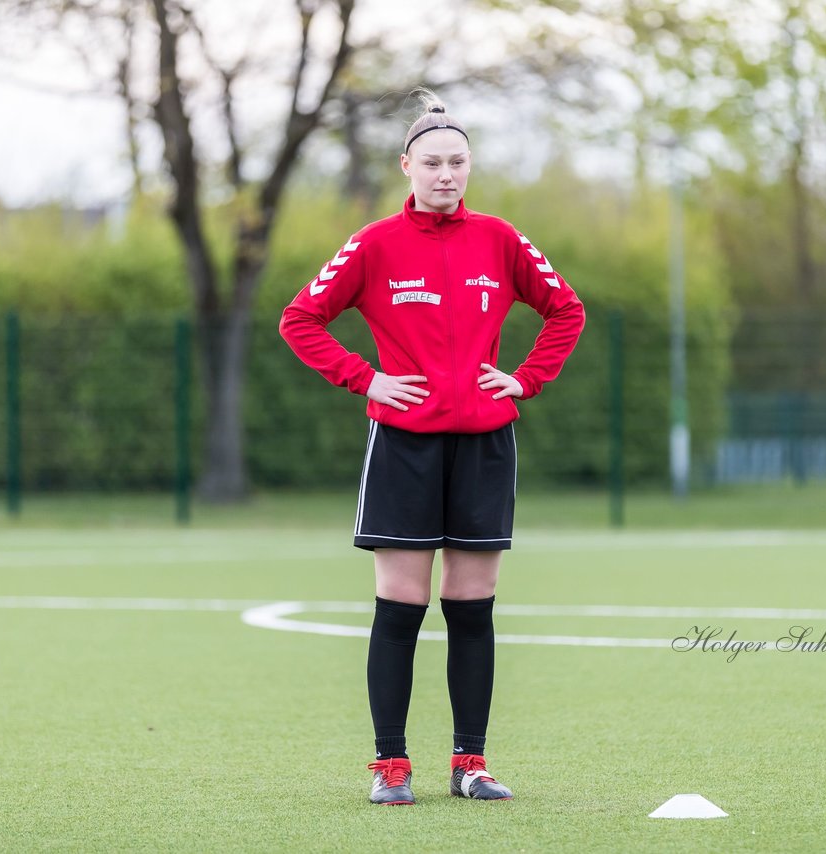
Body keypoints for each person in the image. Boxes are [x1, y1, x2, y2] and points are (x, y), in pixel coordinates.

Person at [279, 91, 585, 805]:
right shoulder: (376, 243)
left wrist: (526, 380)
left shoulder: (501, 240)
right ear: (407, 165)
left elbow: (565, 308)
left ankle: (470, 765)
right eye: (434, 162)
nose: (447, 174)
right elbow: (301, 319)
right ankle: (391, 768)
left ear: (469, 166)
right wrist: (366, 379)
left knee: (472, 604)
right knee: (402, 603)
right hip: (404, 448)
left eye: (459, 162)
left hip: (484, 445)